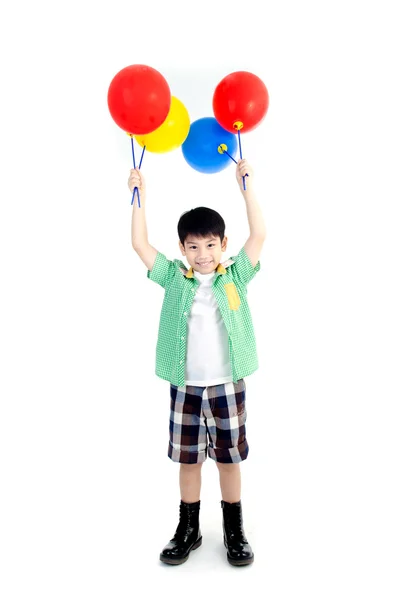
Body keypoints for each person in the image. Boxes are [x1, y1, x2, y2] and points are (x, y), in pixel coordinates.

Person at [129, 158, 266, 566]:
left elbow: (260, 233)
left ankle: (234, 528)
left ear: (223, 244)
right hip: (185, 386)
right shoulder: (174, 276)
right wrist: (139, 195)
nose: (202, 254)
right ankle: (188, 528)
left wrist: (246, 188)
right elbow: (139, 245)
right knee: (188, 460)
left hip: (227, 385)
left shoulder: (235, 275)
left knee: (229, 458)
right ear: (182, 248)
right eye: (193, 246)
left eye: (210, 245)